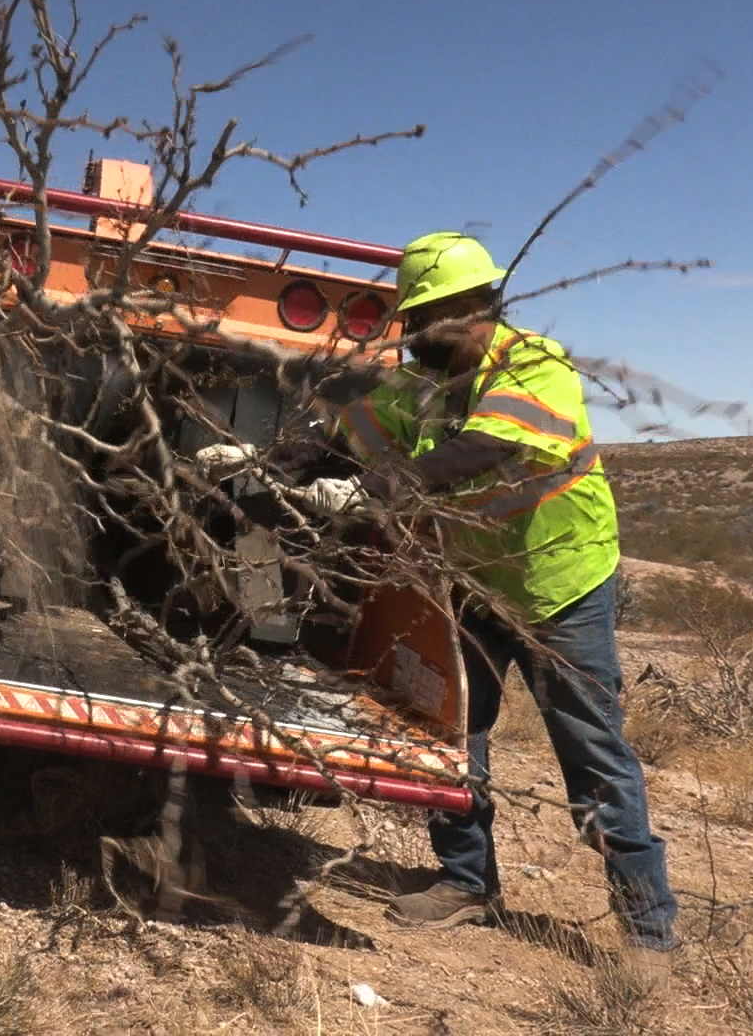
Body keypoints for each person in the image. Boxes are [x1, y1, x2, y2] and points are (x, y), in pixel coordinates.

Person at [198, 231, 678, 993]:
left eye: (423, 318)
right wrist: (262, 462)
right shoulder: (418, 384)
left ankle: (649, 928)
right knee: (449, 733)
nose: (412, 335)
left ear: (470, 307)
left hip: (561, 588)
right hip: (476, 587)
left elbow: (481, 450)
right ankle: (467, 882)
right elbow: (340, 440)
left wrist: (372, 494)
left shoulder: (533, 365)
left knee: (591, 751)